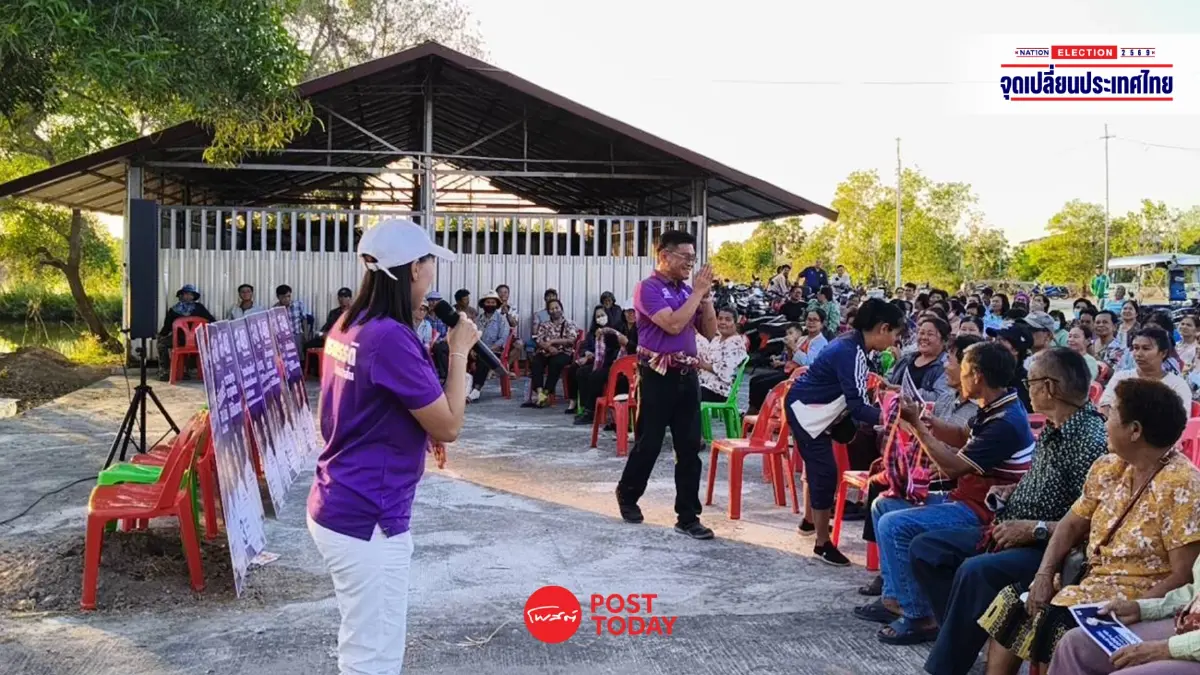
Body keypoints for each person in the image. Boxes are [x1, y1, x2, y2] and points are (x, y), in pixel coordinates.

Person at [307, 217, 479, 675]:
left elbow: (356, 405)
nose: (433, 273)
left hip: (339, 497)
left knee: (362, 641)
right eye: (430, 262)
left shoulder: (350, 323)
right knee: (374, 658)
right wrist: (459, 350)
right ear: (414, 269)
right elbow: (450, 425)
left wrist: (418, 430)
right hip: (369, 516)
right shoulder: (389, 338)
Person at [909, 348, 1109, 674]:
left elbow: (1090, 521)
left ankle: (947, 665)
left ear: (1049, 388)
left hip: (1050, 547)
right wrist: (1013, 490)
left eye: (1031, 383)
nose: (1027, 390)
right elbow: (1045, 481)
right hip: (1009, 526)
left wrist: (1032, 528)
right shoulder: (1056, 426)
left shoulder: (1089, 439)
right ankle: (961, 637)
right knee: (927, 549)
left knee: (976, 571)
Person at [979, 378, 1200, 672]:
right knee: (1015, 606)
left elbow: (1182, 574)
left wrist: (1137, 609)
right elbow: (1070, 526)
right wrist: (1044, 574)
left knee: (1054, 624)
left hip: (1136, 593)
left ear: (1135, 430)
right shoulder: (1109, 466)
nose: (1104, 420)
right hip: (1087, 579)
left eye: (1112, 413)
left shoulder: (1181, 483)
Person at [861, 342, 1034, 644]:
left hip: (984, 513)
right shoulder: (996, 406)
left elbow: (953, 468)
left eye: (962, 368)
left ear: (977, 375)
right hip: (966, 500)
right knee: (883, 506)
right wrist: (927, 422)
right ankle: (896, 598)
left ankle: (921, 616)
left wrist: (918, 427)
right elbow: (962, 435)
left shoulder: (1005, 422)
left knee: (894, 524)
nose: (953, 373)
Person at [855, 334, 983, 597]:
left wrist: (918, 428)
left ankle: (909, 603)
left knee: (892, 518)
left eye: (950, 360)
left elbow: (956, 464)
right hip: (941, 472)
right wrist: (912, 423)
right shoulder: (949, 398)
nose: (945, 366)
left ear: (971, 372)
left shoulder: (988, 413)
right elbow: (945, 435)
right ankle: (891, 585)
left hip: (961, 494)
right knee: (882, 490)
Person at [786, 298, 905, 565]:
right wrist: (895, 420)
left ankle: (809, 521)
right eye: (895, 334)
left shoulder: (854, 344)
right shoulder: (850, 351)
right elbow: (858, 407)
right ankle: (822, 543)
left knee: (819, 468)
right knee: (824, 472)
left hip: (811, 407)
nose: (895, 341)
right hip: (808, 412)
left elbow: (855, 382)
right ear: (883, 328)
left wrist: (880, 387)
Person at [615, 229, 718, 540]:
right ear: (664, 256)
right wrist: (697, 294)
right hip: (657, 376)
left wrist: (706, 299)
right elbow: (672, 324)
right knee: (650, 442)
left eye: (693, 258)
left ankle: (688, 516)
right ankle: (628, 494)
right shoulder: (648, 289)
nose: (690, 263)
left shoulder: (688, 291)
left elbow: (709, 332)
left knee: (689, 447)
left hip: (687, 375)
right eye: (685, 257)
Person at [1050, 555, 1200, 674]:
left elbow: (1181, 573)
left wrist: (1166, 649)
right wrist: (1142, 608)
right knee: (1074, 644)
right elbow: (1194, 592)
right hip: (1190, 622)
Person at [1100, 328, 1193, 414]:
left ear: (1163, 353)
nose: (1138, 354)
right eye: (1136, 348)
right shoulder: (1121, 378)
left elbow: (1180, 420)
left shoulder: (1176, 385)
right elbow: (1104, 407)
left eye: (1146, 348)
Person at [747, 314, 825, 414]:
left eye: (815, 320)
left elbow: (808, 363)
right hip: (789, 371)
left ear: (821, 324)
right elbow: (791, 359)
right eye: (809, 319)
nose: (811, 322)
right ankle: (755, 409)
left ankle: (758, 413)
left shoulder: (820, 342)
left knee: (761, 385)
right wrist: (788, 349)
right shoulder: (803, 338)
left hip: (800, 377)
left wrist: (793, 347)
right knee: (754, 380)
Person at [570, 305, 625, 425]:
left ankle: (591, 411)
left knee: (595, 376)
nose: (600, 318)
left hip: (614, 363)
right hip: (598, 362)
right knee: (581, 372)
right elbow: (585, 347)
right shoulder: (592, 333)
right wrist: (587, 353)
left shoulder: (615, 330)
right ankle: (585, 407)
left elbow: (615, 350)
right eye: (598, 316)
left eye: (602, 315)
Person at [523, 298, 578, 409]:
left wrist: (553, 342)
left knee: (555, 363)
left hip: (563, 352)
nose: (554, 310)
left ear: (561, 309)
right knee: (536, 362)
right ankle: (540, 393)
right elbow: (539, 340)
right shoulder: (544, 325)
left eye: (556, 308)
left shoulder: (569, 323)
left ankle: (546, 393)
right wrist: (548, 348)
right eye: (551, 309)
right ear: (548, 311)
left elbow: (571, 340)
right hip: (546, 352)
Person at [156, 284, 217, 381]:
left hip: (184, 340)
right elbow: (212, 321)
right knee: (164, 342)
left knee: (161, 343)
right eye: (186, 294)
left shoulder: (175, 310)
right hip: (195, 341)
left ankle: (165, 371)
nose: (188, 296)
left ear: (193, 297)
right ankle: (180, 371)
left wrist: (160, 336)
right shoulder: (198, 308)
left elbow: (166, 329)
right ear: (181, 296)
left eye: (191, 294)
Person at [887, 317, 951, 401]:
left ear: (943, 340)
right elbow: (890, 377)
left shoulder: (946, 365)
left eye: (930, 334)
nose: (924, 337)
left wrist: (908, 393)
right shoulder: (907, 358)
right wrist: (884, 383)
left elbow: (941, 397)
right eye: (921, 333)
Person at [697, 306, 749, 403]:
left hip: (719, 390)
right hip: (704, 383)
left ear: (735, 323)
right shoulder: (717, 339)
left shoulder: (736, 344)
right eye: (720, 319)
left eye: (728, 320)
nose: (722, 322)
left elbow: (726, 371)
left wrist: (703, 365)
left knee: (687, 395)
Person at [467, 290, 511, 403]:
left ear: (497, 304)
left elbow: (502, 339)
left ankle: (476, 389)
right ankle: (463, 388)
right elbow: (472, 336)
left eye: (493, 302)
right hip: (477, 350)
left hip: (494, 352)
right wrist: (472, 349)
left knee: (484, 358)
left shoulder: (502, 319)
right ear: (483, 304)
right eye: (488, 302)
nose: (490, 304)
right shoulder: (478, 319)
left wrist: (487, 350)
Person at [990, 323, 1035, 412]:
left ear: (1015, 350)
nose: (995, 344)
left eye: (1001, 340)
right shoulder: (988, 374)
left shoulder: (1027, 382)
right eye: (995, 339)